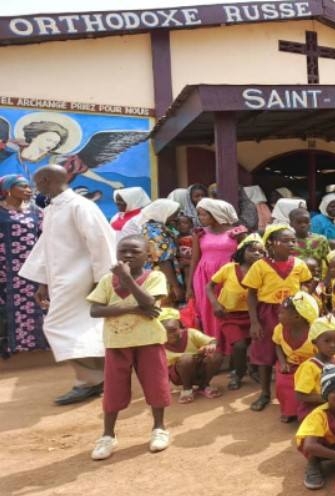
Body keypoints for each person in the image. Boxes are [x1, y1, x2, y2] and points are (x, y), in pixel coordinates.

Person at [19, 165, 116, 405]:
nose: (34, 187)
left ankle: (90, 381)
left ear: (45, 179)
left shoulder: (80, 206)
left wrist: (101, 281)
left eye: (36, 181)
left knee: (57, 326)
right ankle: (102, 378)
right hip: (61, 279)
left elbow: (101, 242)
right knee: (84, 328)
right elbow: (46, 246)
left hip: (80, 280)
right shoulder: (53, 208)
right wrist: (42, 281)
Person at [86, 235, 171, 460]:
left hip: (149, 340)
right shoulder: (107, 281)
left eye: (135, 251)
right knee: (114, 389)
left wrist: (126, 278)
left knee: (156, 385)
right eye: (123, 251)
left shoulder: (155, 276)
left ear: (147, 255)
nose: (128, 255)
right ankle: (107, 435)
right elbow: (94, 310)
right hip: (117, 342)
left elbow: (149, 302)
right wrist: (132, 309)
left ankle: (159, 428)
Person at [244, 224, 312, 411]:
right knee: (265, 352)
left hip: (294, 313)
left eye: (293, 240)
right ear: (272, 243)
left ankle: (303, 392)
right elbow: (251, 294)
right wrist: (255, 322)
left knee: (296, 349)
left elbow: (306, 284)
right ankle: (265, 392)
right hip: (268, 313)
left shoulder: (299, 264)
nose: (291, 243)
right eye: (285, 240)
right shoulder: (260, 266)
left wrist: (303, 300)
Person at [206, 234, 264, 390]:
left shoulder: (262, 271)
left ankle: (251, 369)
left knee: (255, 344)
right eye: (252, 250)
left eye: (261, 252)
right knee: (239, 346)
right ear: (242, 251)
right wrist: (215, 303)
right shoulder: (229, 268)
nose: (257, 254)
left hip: (252, 315)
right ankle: (237, 374)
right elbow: (209, 286)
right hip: (229, 315)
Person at [0, 174, 46, 357]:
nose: (29, 190)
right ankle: (10, 344)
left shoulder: (36, 211)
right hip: (5, 269)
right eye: (23, 186)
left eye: (29, 187)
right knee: (6, 306)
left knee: (36, 302)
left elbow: (45, 236)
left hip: (31, 269)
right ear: (8, 189)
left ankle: (38, 343)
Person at [189, 198, 241, 339]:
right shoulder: (200, 233)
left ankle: (230, 345)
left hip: (229, 276)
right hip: (204, 277)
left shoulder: (237, 233)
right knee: (207, 310)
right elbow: (194, 259)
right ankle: (212, 343)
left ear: (216, 214)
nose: (200, 218)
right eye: (199, 214)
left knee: (228, 308)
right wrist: (189, 287)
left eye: (204, 214)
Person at [274, 291, 320, 422]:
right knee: (283, 383)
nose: (278, 315)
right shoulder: (279, 329)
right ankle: (289, 410)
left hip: (312, 367)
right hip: (290, 365)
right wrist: (283, 363)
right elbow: (277, 345)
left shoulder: (315, 334)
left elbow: (322, 355)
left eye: (282, 313)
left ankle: (306, 410)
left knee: (306, 386)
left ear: (297, 317)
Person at [160, 307, 222, 404]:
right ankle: (187, 389)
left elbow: (212, 340)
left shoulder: (190, 333)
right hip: (180, 375)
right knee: (186, 359)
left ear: (180, 326)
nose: (170, 335)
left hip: (199, 368)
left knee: (216, 356)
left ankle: (204, 386)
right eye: (166, 332)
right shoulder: (159, 344)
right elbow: (160, 368)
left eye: (173, 330)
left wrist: (211, 346)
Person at [294, 315, 335, 421]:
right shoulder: (309, 367)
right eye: (327, 341)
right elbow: (300, 395)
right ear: (314, 342)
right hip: (315, 410)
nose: (333, 345)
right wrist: (328, 398)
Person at [134, 199, 183, 304]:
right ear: (164, 212)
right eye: (175, 213)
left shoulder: (155, 227)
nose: (177, 217)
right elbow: (163, 261)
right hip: (160, 278)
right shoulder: (155, 232)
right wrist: (176, 286)